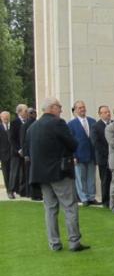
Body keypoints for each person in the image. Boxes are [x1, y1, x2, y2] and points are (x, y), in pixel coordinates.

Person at [25, 97, 89, 252]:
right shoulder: (58, 123)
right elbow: (73, 144)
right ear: (52, 108)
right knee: (69, 206)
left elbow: (28, 151)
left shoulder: (32, 128)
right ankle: (74, 241)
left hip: (40, 175)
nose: (61, 110)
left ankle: (54, 243)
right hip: (60, 172)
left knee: (50, 209)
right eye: (59, 107)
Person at [68, 100, 97, 205]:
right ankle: (83, 198)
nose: (82, 109)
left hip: (91, 154)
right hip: (79, 155)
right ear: (75, 110)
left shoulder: (92, 121)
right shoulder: (71, 124)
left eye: (83, 107)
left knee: (91, 177)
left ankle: (91, 197)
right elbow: (70, 141)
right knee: (80, 178)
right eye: (80, 108)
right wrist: (73, 156)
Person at [91, 105, 112, 207]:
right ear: (100, 114)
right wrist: (107, 154)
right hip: (103, 158)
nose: (108, 114)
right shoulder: (96, 126)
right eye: (105, 112)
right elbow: (96, 143)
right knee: (105, 179)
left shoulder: (113, 124)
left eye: (108, 112)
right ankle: (106, 200)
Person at [20, 108, 42, 201]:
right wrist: (26, 154)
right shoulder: (27, 125)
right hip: (31, 153)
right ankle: (33, 193)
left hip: (32, 153)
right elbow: (24, 141)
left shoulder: (34, 124)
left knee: (32, 173)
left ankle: (32, 193)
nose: (34, 115)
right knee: (31, 174)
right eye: (33, 113)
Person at [9, 103, 28, 197]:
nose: (27, 112)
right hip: (17, 152)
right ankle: (11, 190)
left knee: (24, 172)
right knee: (15, 172)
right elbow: (12, 138)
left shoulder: (27, 122)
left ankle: (22, 190)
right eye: (25, 111)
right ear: (20, 112)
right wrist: (18, 150)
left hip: (25, 151)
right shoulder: (14, 123)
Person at [0, 111, 13, 198]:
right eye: (4, 117)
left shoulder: (13, 126)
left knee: (14, 172)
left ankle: (14, 189)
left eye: (7, 117)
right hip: (3, 154)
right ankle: (9, 190)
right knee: (6, 173)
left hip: (14, 154)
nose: (6, 119)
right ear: (1, 118)